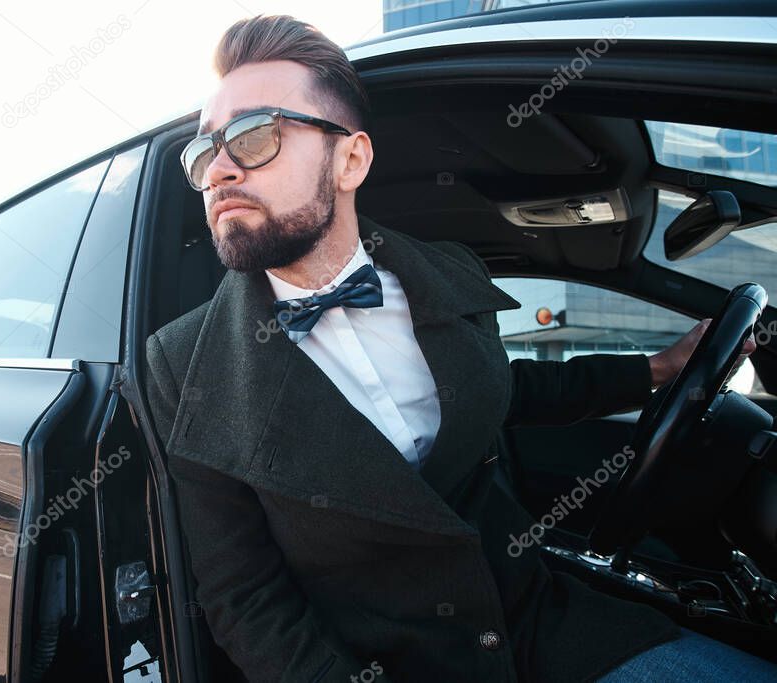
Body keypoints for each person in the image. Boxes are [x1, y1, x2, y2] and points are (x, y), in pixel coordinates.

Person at [142, 14, 766, 682]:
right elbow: (246, 600)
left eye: (254, 135)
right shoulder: (182, 365)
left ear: (350, 158)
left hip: (547, 627)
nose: (220, 171)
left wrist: (657, 369)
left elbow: (508, 388)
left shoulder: (448, 275)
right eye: (205, 153)